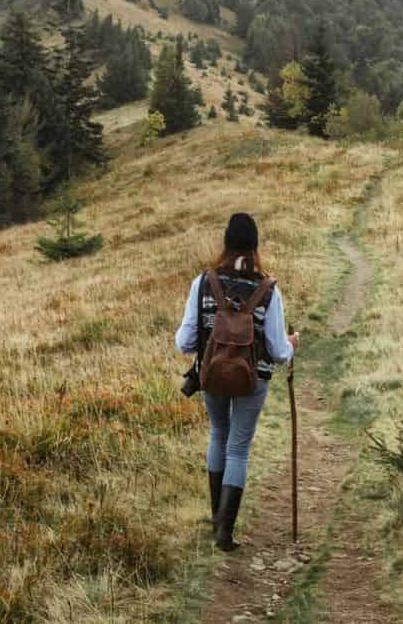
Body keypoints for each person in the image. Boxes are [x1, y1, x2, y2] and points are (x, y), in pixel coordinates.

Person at [175, 212, 299, 552]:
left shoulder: (203, 282)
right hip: (252, 380)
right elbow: (277, 351)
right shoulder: (269, 289)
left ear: (225, 242)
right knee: (239, 448)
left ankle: (217, 517)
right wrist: (293, 344)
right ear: (255, 246)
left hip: (211, 374)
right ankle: (224, 533)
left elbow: (185, 342)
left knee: (218, 433)